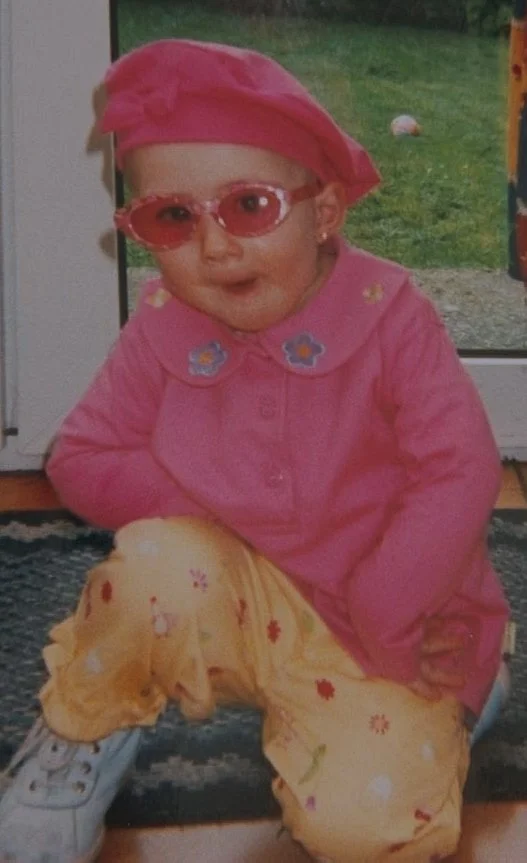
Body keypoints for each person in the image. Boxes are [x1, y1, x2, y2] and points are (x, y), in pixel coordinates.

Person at [0, 38, 510, 863]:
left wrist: (389, 609)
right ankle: (84, 728)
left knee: (362, 829)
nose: (215, 246)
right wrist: (212, 520)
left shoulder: (389, 316)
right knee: (154, 566)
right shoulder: (164, 323)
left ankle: (446, 708)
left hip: (391, 620)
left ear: (325, 210)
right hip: (235, 600)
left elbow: (458, 469)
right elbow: (83, 454)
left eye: (248, 207)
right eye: (173, 216)